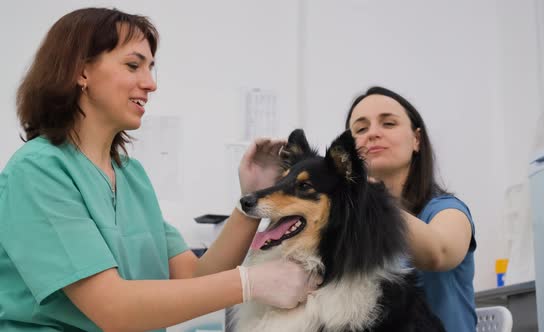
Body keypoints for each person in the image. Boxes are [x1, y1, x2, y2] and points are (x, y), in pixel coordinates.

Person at [0, 8, 317, 331]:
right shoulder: (38, 172)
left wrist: (251, 200)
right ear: (81, 71)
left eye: (151, 68)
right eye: (133, 65)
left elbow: (196, 277)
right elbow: (112, 308)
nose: (150, 84)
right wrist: (251, 282)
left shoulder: (130, 176)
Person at [345, 86, 477, 332]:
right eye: (361, 129)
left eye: (388, 124)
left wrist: (375, 201)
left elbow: (439, 252)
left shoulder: (446, 210)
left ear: (416, 139)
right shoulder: (353, 225)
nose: (372, 133)